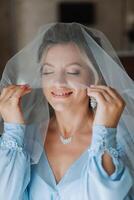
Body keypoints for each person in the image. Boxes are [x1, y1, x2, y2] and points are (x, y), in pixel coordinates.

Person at [0, 22, 134, 200]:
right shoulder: (23, 139)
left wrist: (104, 134)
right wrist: (13, 129)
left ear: (96, 76)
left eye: (73, 72)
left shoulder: (120, 140)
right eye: (48, 72)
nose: (58, 82)